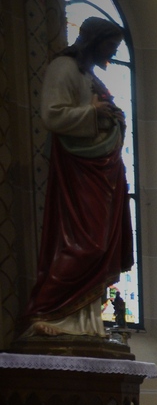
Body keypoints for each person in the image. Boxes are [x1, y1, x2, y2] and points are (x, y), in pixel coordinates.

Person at [21, 17, 133, 340]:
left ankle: (85, 323)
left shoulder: (90, 76)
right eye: (111, 46)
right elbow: (52, 114)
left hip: (103, 172)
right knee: (84, 244)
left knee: (101, 244)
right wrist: (93, 113)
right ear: (95, 40)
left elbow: (105, 112)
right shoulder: (64, 68)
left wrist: (114, 117)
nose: (113, 53)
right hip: (79, 171)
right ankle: (47, 312)